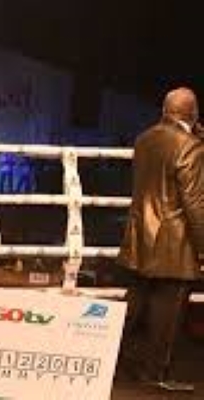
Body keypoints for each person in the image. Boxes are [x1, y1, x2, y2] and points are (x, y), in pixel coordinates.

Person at [118, 87, 204, 392]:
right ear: (192, 113)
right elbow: (195, 203)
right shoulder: (190, 146)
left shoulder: (144, 139)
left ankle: (116, 362)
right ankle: (157, 373)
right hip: (174, 243)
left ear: (165, 111)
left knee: (136, 305)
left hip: (142, 236)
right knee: (168, 313)